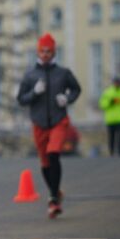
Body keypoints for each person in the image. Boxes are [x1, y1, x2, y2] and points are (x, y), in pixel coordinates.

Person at [16, 32, 81, 218]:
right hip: (39, 123)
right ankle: (56, 191)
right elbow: (21, 99)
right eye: (42, 51)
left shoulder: (63, 73)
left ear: (53, 53)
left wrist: (67, 98)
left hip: (59, 120)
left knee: (54, 153)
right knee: (45, 161)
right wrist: (35, 93)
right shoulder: (30, 75)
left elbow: (76, 89)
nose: (45, 54)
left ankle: (53, 198)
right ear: (38, 52)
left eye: (48, 51)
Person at [98, 77, 120, 156]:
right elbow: (102, 104)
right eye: (116, 83)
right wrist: (111, 102)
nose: (117, 84)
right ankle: (111, 152)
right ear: (113, 83)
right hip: (110, 119)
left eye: (119, 83)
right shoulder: (108, 92)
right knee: (111, 137)